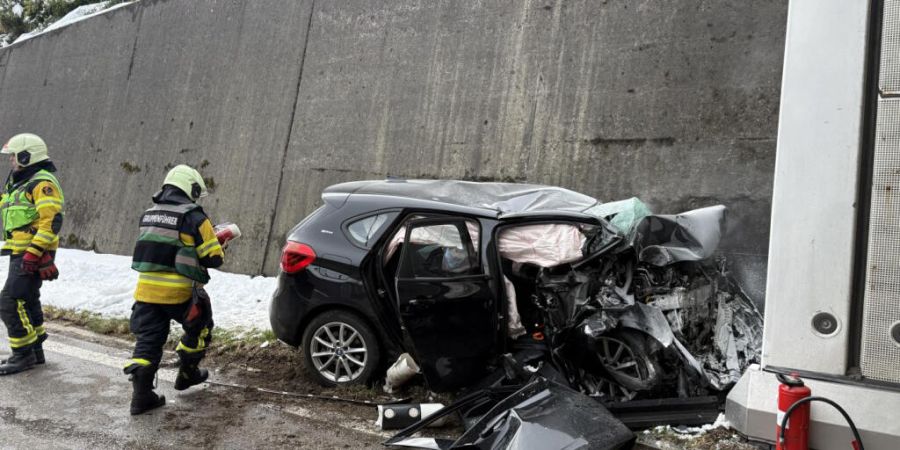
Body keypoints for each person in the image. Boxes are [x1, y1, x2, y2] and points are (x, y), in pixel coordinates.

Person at [124, 164, 225, 415]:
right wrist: (219, 240)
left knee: (147, 343)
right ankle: (187, 374)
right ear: (190, 188)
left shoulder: (148, 214)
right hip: (182, 294)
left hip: (146, 294)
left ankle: (141, 398)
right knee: (200, 327)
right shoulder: (195, 217)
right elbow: (213, 258)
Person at [0, 133, 63, 375]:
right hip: (22, 251)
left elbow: (51, 222)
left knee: (8, 301)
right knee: (26, 299)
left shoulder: (42, 183)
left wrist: (33, 254)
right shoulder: (21, 181)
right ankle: (36, 351)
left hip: (32, 253)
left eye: (14, 156)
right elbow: (8, 203)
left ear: (27, 157)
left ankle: (22, 354)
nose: (11, 161)